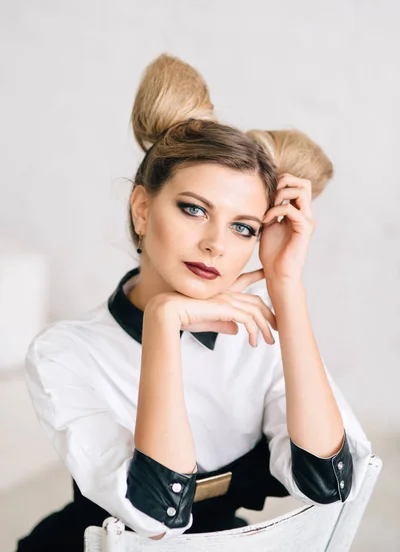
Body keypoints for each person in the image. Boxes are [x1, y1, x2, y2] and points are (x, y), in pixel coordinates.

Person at [16, 54, 371, 550]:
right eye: (194, 209)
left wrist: (286, 286)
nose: (216, 245)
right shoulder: (63, 352)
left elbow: (332, 487)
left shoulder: (262, 335)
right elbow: (157, 515)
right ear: (142, 208)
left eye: (243, 226)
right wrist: (163, 322)